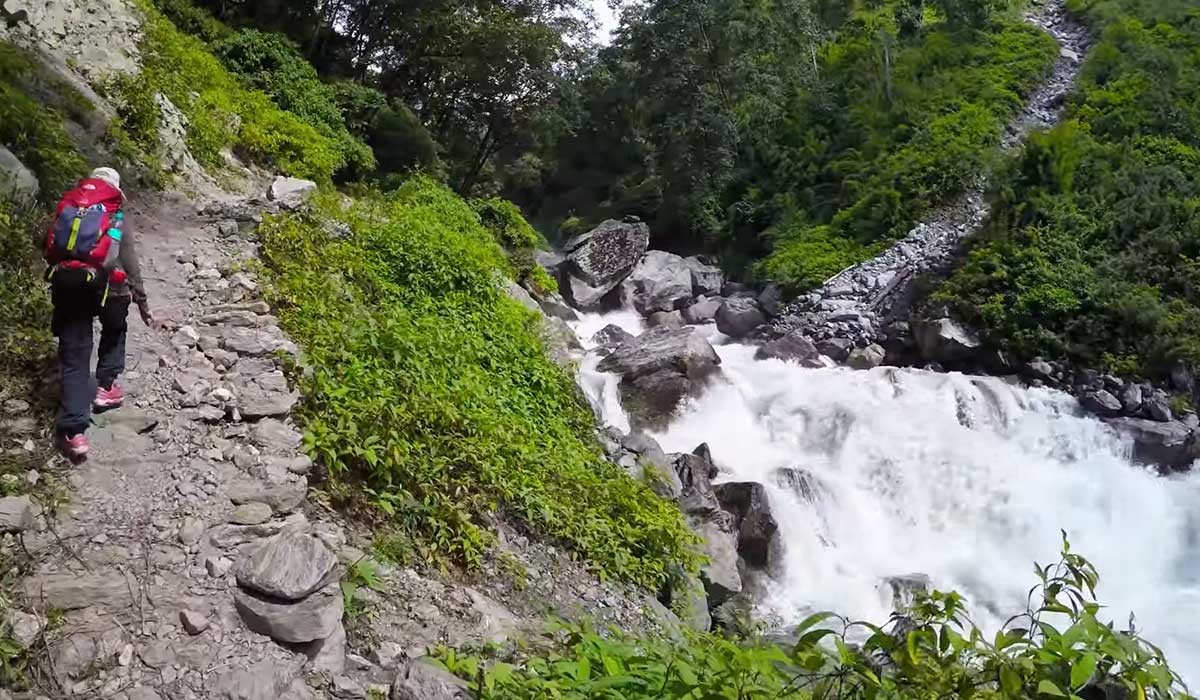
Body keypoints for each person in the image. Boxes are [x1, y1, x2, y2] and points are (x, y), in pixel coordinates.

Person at [42, 167, 154, 458]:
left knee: (75, 353)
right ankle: (106, 386)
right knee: (115, 327)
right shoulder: (114, 212)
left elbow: (47, 244)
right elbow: (127, 256)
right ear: (116, 188)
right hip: (110, 284)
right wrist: (141, 300)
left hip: (72, 282)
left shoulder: (73, 205)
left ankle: (75, 432)